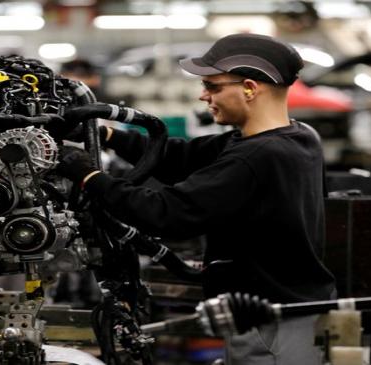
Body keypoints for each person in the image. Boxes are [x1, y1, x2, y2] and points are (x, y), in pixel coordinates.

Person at [57, 33, 336, 365]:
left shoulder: (256, 156)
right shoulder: (297, 135)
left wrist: (89, 176)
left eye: (213, 86)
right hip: (290, 310)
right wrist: (106, 134)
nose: (204, 96)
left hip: (271, 322)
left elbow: (165, 213)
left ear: (249, 88)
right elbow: (179, 157)